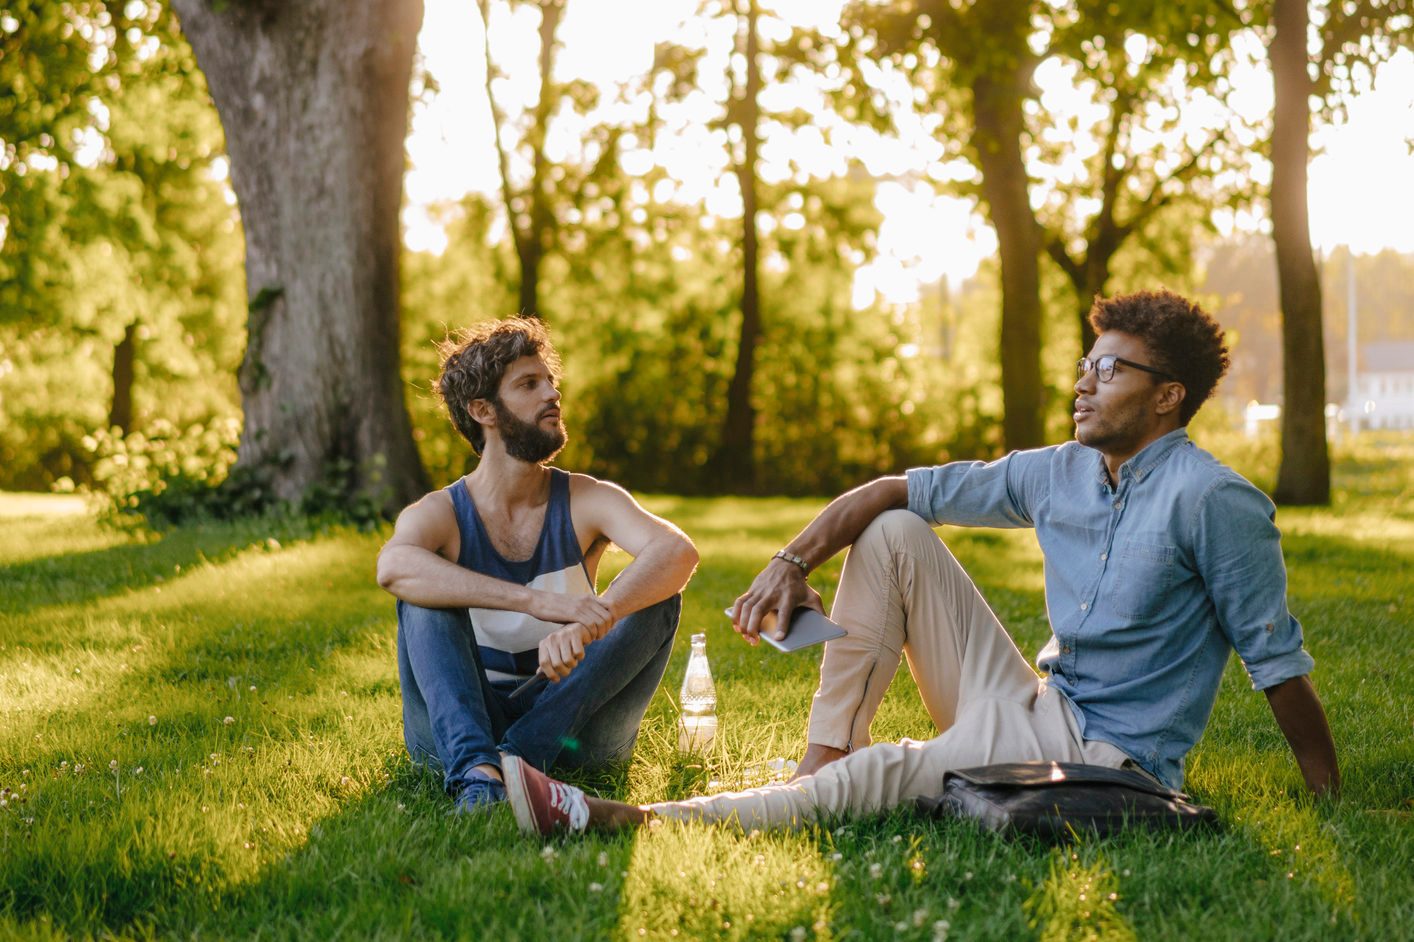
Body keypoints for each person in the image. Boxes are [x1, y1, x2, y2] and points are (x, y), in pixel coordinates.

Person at [496, 289, 1339, 835]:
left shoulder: (1213, 501)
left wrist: (1327, 804)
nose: (1084, 383)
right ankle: (817, 773)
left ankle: (625, 820)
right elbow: (888, 491)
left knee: (896, 771)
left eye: (1110, 369)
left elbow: (1278, 665)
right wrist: (792, 561)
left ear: (1167, 397)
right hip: (1038, 700)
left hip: (1107, 756)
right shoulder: (1061, 471)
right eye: (1085, 364)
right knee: (895, 529)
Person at [377, 317, 698, 813]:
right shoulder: (441, 513)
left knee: (656, 600)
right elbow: (394, 567)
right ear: (483, 410)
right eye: (530, 384)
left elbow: (677, 551)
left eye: (550, 381)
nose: (552, 394)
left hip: (571, 724)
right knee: (422, 591)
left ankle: (513, 759)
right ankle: (479, 774)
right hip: (457, 727)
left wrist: (594, 621)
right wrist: (536, 601)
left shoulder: (585, 498)